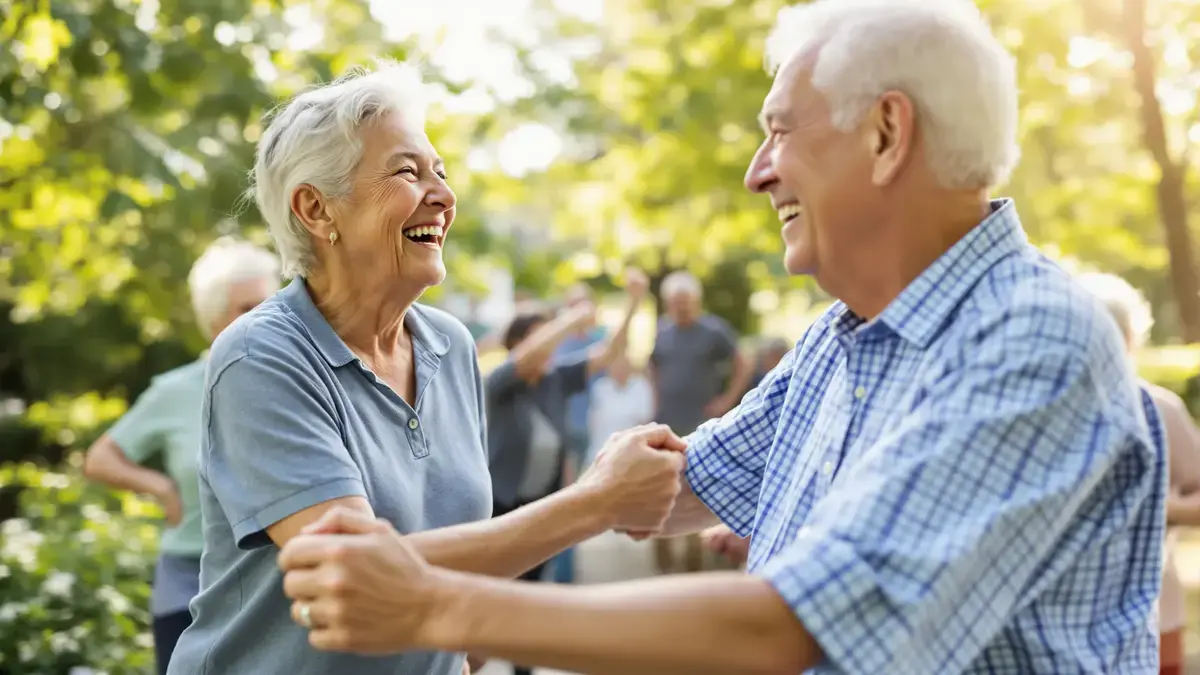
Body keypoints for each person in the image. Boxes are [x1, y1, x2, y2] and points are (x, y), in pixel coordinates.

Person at [276, 2, 1167, 673]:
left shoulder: (1036, 337)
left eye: (778, 131)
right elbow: (667, 487)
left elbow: (792, 625)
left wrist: (433, 604)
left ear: (888, 133)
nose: (755, 172)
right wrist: (377, 565)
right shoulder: (839, 340)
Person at [165, 63, 687, 675]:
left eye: (440, 171)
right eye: (408, 172)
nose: (443, 194)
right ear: (315, 209)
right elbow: (355, 577)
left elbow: (466, 557)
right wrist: (595, 502)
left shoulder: (450, 344)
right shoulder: (261, 356)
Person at [83, 238, 279, 675]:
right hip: (187, 582)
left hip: (268, 580)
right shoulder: (175, 392)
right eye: (246, 308)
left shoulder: (291, 387)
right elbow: (100, 459)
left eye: (270, 305)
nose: (263, 320)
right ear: (213, 321)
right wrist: (159, 486)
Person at [484, 272, 646, 675]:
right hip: (501, 503)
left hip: (541, 501)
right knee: (498, 593)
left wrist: (633, 304)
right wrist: (570, 320)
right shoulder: (502, 383)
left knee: (530, 592)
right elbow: (526, 356)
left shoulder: (556, 380)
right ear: (519, 343)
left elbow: (609, 354)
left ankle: (522, 666)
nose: (552, 348)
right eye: (543, 338)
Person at [1078, 272, 1200, 675]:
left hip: (1154, 610)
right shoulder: (1053, 410)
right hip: (1074, 619)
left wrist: (1158, 508)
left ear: (1131, 339)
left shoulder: (1159, 408)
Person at [648, 270, 751, 573]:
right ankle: (663, 569)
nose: (682, 307)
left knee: (695, 491)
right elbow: (652, 367)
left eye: (687, 301)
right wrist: (654, 402)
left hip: (701, 426)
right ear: (669, 303)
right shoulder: (662, 332)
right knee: (659, 492)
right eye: (676, 302)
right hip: (667, 423)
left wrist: (726, 400)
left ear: (697, 300)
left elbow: (743, 361)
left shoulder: (714, 331)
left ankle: (694, 568)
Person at [547, 282, 609, 584]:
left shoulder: (601, 338)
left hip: (588, 429)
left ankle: (562, 573)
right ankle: (562, 574)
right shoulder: (556, 343)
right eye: (575, 306)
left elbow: (617, 365)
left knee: (573, 496)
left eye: (585, 306)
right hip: (559, 432)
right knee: (565, 496)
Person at [586, 352, 654, 466]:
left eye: (623, 365)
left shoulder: (641, 387)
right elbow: (594, 423)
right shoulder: (600, 388)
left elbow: (644, 422)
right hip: (600, 451)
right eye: (615, 365)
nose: (620, 369)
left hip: (630, 453)